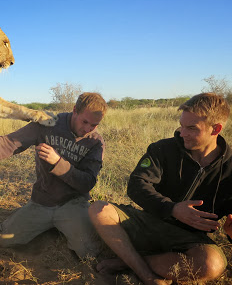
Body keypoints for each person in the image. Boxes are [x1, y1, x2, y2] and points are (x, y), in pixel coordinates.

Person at [0, 92, 107, 258]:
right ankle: (50, 224)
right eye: (85, 122)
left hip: (73, 204)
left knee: (90, 252)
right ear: (75, 110)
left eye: (94, 125)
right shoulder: (48, 124)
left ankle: (64, 225)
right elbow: (8, 143)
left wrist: (58, 163)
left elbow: (87, 183)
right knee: (2, 239)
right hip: (43, 202)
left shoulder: (95, 142)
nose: (87, 129)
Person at [89, 92, 232, 285]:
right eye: (181, 125)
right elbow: (136, 185)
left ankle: (127, 262)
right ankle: (146, 274)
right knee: (99, 209)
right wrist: (172, 208)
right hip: (149, 222)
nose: (182, 133)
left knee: (212, 265)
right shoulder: (163, 149)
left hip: (189, 239)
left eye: (191, 128)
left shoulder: (230, 167)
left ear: (216, 129)